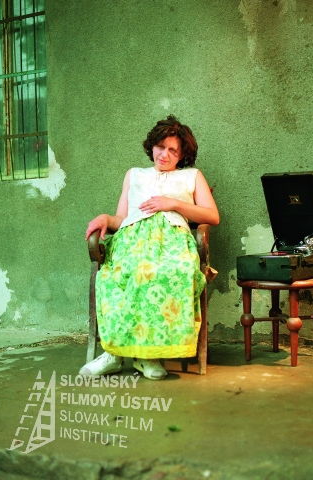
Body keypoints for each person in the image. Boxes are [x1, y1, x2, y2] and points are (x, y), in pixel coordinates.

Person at [79, 115, 219, 380]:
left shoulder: (192, 176)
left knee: (168, 272)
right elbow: (121, 218)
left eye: (173, 150)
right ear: (152, 146)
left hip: (173, 241)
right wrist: (106, 219)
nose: (164, 155)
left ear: (182, 155)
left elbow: (212, 216)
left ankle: (147, 356)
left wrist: (173, 204)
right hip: (132, 239)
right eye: (160, 147)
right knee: (125, 273)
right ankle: (114, 355)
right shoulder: (134, 175)